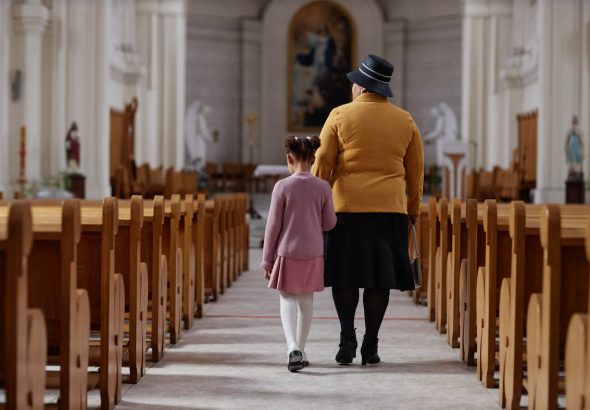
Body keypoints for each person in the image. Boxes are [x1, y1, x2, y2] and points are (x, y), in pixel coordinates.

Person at [312, 54, 424, 366]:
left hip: (345, 209)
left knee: (345, 277)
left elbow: (322, 164)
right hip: (390, 210)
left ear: (360, 87)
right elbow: (416, 172)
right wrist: (412, 209)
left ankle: (347, 337)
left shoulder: (338, 115)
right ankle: (371, 345)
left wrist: (316, 205)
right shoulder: (405, 119)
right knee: (379, 279)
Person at [261, 135, 337, 372]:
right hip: (313, 252)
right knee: (306, 300)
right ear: (314, 158)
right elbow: (329, 224)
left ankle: (292, 346)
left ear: (289, 159)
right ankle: (302, 350)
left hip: (287, 252)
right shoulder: (323, 187)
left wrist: (267, 258)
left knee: (287, 298)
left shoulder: (282, 186)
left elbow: (272, 226)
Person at [185, 100, 214, 170]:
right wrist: (210, 138)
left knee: (199, 158)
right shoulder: (200, 118)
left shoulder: (200, 118)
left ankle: (196, 171)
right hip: (199, 141)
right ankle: (197, 172)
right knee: (200, 157)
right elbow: (203, 131)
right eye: (208, 112)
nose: (208, 114)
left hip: (199, 140)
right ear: (205, 111)